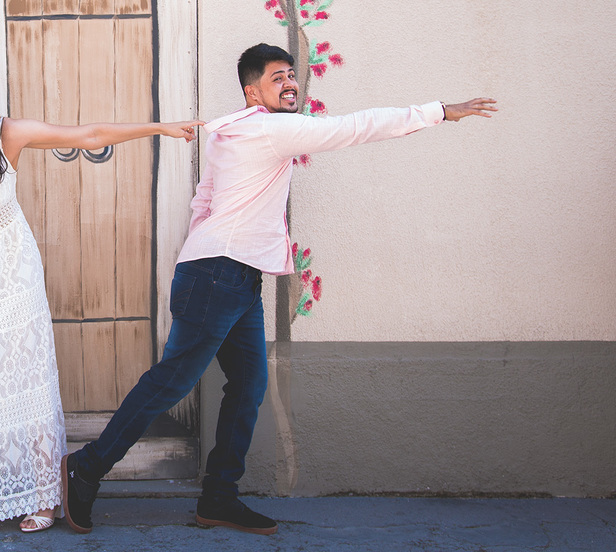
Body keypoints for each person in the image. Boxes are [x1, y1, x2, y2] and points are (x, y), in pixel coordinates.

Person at [62, 43, 498, 536]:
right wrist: (439, 111)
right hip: (220, 273)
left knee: (248, 385)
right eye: (277, 78)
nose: (290, 84)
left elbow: (205, 199)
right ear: (253, 92)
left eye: (291, 75)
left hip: (232, 274)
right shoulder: (271, 129)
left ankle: (219, 498)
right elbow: (354, 127)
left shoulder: (233, 130)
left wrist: (205, 251)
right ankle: (86, 468)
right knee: (172, 382)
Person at [0, 52, 202, 538]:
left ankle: (42, 495)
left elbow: (88, 135)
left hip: (14, 274)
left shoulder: (9, 134)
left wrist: (161, 128)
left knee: (24, 380)